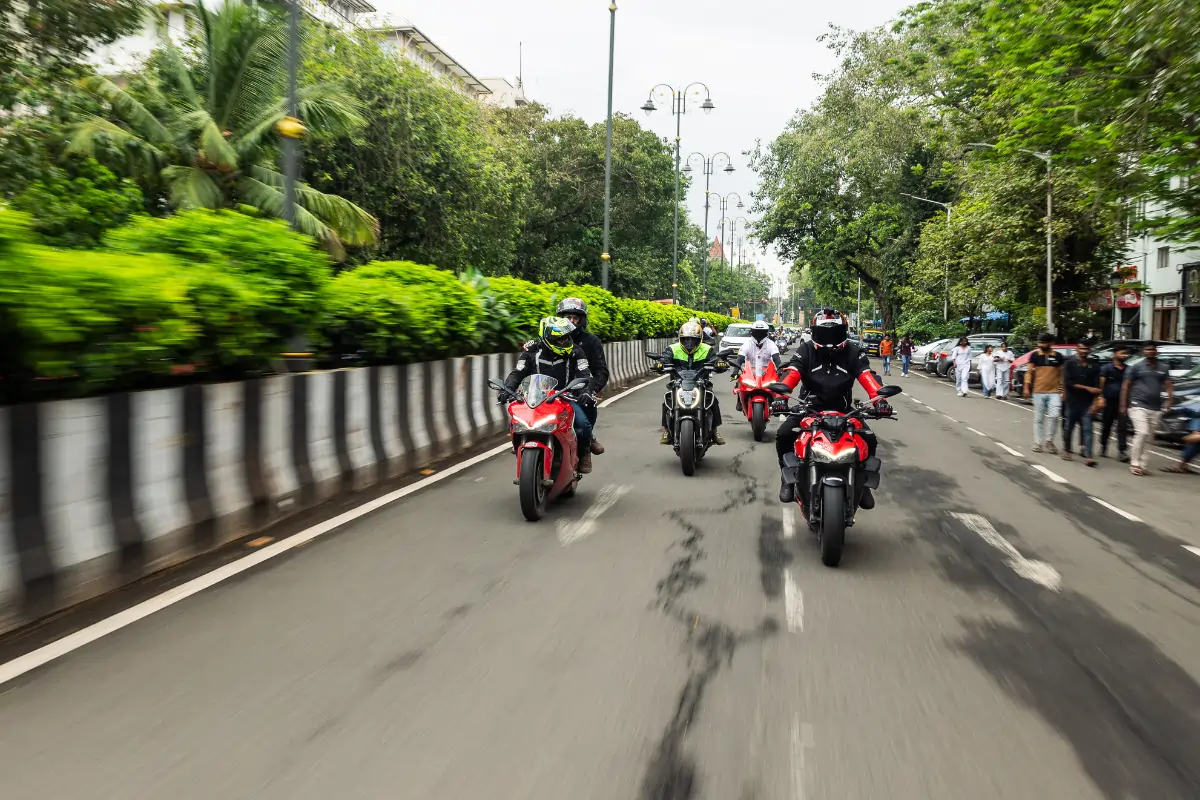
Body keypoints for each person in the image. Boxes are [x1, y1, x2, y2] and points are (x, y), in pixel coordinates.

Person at [774, 309, 891, 504]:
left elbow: (867, 377)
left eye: (834, 332)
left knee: (869, 440)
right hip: (809, 408)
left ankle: (863, 486)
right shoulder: (806, 350)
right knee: (784, 434)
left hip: (845, 411)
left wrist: (881, 401)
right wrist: (780, 397)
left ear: (843, 331)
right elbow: (791, 374)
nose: (829, 338)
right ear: (814, 332)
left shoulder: (854, 351)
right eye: (824, 333)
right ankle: (787, 481)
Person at [502, 316, 595, 472]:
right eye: (558, 337)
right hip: (535, 399)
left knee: (583, 425)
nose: (564, 340)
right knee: (515, 422)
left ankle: (584, 452)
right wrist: (507, 388)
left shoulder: (576, 352)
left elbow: (584, 374)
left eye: (566, 336)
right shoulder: (531, 352)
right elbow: (517, 373)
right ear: (546, 336)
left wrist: (585, 391)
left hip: (566, 398)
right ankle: (517, 445)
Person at [655, 320, 726, 446]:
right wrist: (660, 364)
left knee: (713, 401)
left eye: (693, 340)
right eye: (686, 339)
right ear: (680, 338)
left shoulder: (707, 349)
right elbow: (664, 358)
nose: (689, 342)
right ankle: (666, 430)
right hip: (678, 383)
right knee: (667, 401)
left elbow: (716, 359)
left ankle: (714, 431)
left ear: (699, 339)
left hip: (701, 383)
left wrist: (719, 363)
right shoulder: (673, 348)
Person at [1121, 342, 1173, 476]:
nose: (1150, 352)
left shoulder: (1164, 367)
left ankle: (1143, 465)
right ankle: (1135, 462)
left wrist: (1169, 400)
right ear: (1144, 352)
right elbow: (1126, 386)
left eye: (1152, 349)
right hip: (1138, 404)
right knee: (1142, 432)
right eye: (1147, 350)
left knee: (1150, 437)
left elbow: (1168, 385)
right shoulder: (1136, 367)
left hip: (1155, 407)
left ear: (1157, 352)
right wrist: (1123, 405)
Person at [1060, 338, 1102, 466]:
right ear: (1077, 349)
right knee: (1068, 427)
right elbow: (1069, 383)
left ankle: (1088, 455)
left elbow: (1097, 386)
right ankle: (1067, 450)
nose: (1084, 351)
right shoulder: (1070, 363)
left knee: (1088, 428)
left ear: (1089, 350)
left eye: (1086, 349)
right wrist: (1087, 388)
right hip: (1072, 401)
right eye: (1081, 349)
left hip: (1087, 403)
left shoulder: (1094, 366)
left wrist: (1096, 401)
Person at [1025, 332, 1065, 453]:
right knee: (1039, 418)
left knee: (1054, 415)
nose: (1041, 345)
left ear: (1051, 343)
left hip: (1054, 392)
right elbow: (1029, 372)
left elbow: (1063, 374)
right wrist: (1026, 387)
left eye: (1043, 342)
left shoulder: (1058, 357)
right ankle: (1038, 443)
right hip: (1038, 391)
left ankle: (1049, 440)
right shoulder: (1034, 356)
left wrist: (1062, 390)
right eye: (1040, 342)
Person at [733, 320, 784, 411]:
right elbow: (739, 359)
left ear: (766, 333)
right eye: (757, 332)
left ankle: (777, 402)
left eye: (762, 332)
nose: (759, 335)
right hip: (750, 372)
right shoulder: (747, 344)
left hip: (767, 372)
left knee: (777, 385)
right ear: (752, 332)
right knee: (739, 382)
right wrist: (735, 371)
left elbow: (777, 359)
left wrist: (781, 370)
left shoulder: (771, 345)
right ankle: (739, 401)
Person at [1097, 345, 1132, 461]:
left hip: (1123, 402)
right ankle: (1103, 446)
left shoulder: (1129, 369)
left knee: (1122, 426)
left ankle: (1122, 451)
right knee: (1107, 425)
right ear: (1115, 354)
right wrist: (1100, 397)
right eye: (1122, 353)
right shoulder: (1106, 368)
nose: (1124, 355)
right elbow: (1101, 384)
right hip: (1109, 401)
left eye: (1126, 354)